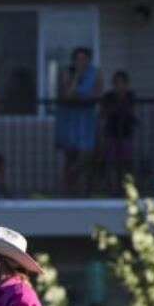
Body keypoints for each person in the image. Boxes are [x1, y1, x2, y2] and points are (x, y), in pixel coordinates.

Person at [55, 47, 103, 197]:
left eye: (84, 59)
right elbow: (67, 94)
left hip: (86, 119)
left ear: (89, 60)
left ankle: (84, 189)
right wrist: (75, 76)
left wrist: (79, 97)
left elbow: (96, 94)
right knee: (70, 156)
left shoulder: (95, 73)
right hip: (70, 119)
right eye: (77, 59)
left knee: (87, 155)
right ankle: (69, 192)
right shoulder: (67, 73)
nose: (80, 62)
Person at [100, 70, 136, 194]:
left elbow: (130, 112)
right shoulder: (108, 96)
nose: (120, 86)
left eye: (122, 83)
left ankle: (127, 188)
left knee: (127, 162)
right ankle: (113, 188)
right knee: (111, 162)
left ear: (126, 84)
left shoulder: (130, 96)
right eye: (117, 83)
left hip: (126, 132)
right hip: (111, 131)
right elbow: (104, 114)